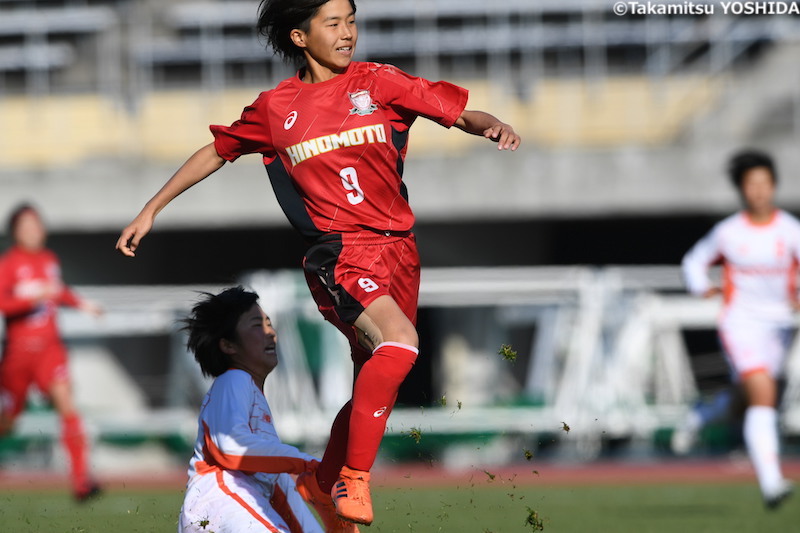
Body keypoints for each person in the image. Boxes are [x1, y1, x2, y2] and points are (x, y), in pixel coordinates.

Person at [116, 0, 520, 526]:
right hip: (340, 253)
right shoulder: (276, 108)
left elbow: (461, 112)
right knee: (400, 343)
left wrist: (492, 126)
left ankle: (322, 486)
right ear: (300, 37)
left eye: (351, 21)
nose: (348, 32)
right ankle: (353, 478)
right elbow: (217, 150)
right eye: (334, 23)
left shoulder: (380, 82)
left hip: (400, 250)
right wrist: (152, 208)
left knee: (372, 388)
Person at [681, 149, 797, 509]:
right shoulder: (729, 232)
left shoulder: (790, 230)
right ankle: (771, 483)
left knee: (749, 399)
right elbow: (694, 261)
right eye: (752, 184)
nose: (759, 191)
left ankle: (704, 413)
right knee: (762, 394)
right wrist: (703, 287)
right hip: (740, 324)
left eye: (765, 183)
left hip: (781, 326)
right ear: (742, 190)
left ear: (774, 186)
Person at [179, 286, 339, 533]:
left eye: (269, 323)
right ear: (228, 345)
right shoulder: (234, 379)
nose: (271, 333)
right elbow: (231, 450)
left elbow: (279, 487)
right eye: (257, 325)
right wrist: (306, 463)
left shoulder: (253, 399)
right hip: (221, 502)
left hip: (226, 511)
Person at [0, 203, 103, 501]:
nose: (33, 231)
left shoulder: (49, 259)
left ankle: (82, 481)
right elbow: (4, 303)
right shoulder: (8, 263)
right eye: (26, 226)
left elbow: (58, 290)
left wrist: (83, 304)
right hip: (18, 356)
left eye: (36, 224)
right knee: (8, 421)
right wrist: (32, 297)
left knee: (67, 405)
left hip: (50, 350)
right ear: (16, 232)